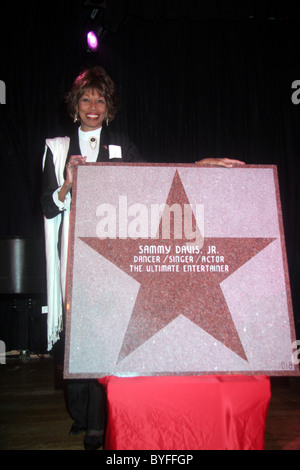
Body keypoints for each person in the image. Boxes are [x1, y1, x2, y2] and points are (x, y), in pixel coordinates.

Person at [41, 66, 244, 450]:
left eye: (101, 99)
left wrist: (198, 166)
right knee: (77, 339)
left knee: (104, 336)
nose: (93, 106)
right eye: (86, 99)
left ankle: (97, 426)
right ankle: (82, 415)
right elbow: (47, 207)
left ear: (109, 107)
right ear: (74, 106)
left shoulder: (121, 143)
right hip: (74, 254)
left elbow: (152, 181)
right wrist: (68, 182)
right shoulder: (55, 148)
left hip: (112, 254)